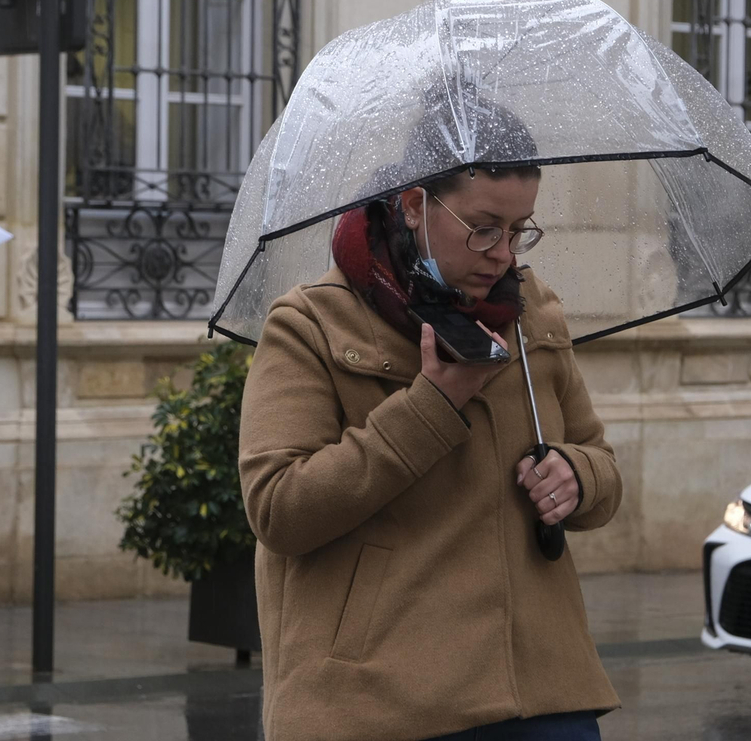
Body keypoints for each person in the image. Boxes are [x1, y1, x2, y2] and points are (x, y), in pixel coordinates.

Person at [238, 95, 623, 741]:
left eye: (520, 228)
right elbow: (280, 507)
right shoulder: (310, 322)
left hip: (544, 691)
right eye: (482, 226)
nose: (503, 252)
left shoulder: (534, 312)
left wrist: (577, 477)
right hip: (381, 702)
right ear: (415, 204)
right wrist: (433, 404)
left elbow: (600, 461)